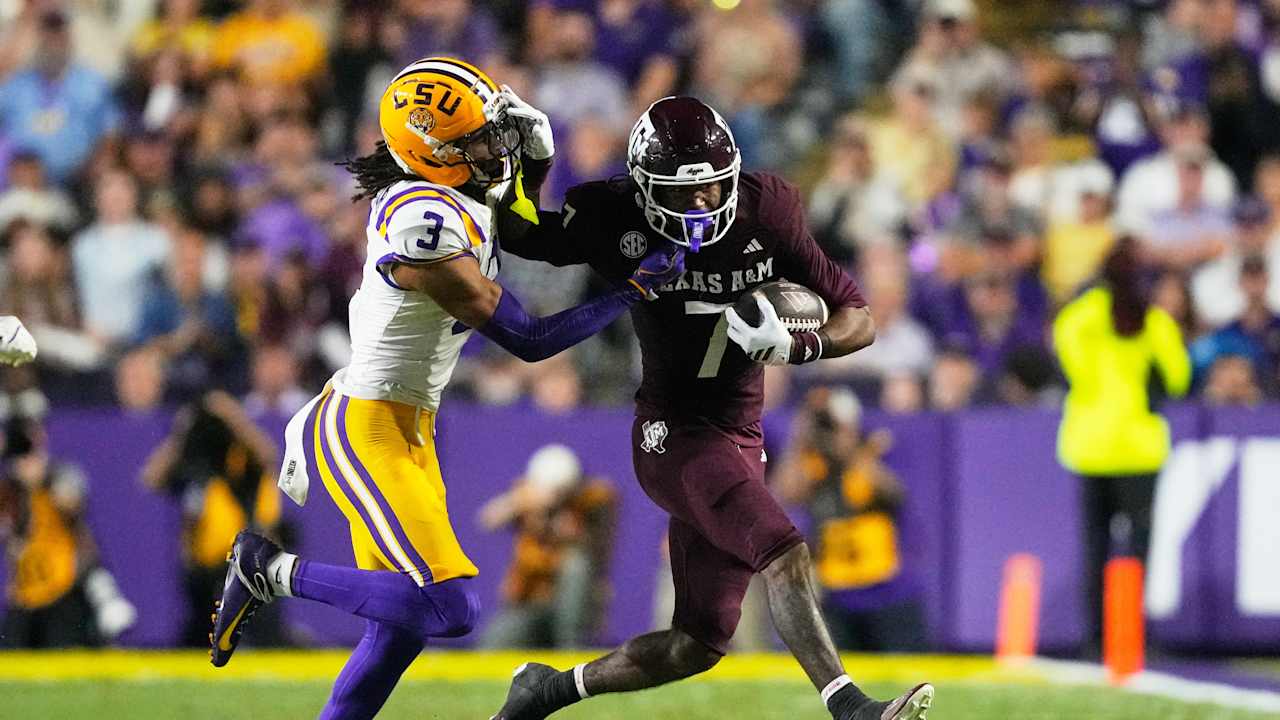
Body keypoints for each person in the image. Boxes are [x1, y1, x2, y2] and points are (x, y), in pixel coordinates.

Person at [208, 57, 683, 720]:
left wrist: (537, 164)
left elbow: (519, 229)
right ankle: (267, 569)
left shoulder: (447, 195)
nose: (493, 150)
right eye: (476, 141)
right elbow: (529, 339)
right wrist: (631, 293)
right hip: (365, 424)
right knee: (448, 604)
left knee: (399, 630)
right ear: (430, 152)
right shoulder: (420, 223)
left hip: (409, 425)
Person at [491, 96, 932, 720]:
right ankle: (851, 707)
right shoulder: (613, 212)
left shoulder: (768, 209)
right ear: (645, 187)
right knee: (784, 550)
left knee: (696, 643)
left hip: (741, 434)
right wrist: (533, 165)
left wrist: (799, 344)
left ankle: (546, 690)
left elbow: (857, 318)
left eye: (713, 186)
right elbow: (521, 234)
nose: (702, 202)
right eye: (683, 191)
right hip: (672, 432)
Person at [1053, 237, 1191, 657]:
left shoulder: (1079, 317)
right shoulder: (1154, 321)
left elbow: (1071, 365)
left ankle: (1095, 639)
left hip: (1091, 446)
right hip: (1138, 449)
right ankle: (1132, 637)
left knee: (1095, 546)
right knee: (1138, 550)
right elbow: (1178, 378)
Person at [773, 388, 928, 652]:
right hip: (837, 594)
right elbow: (785, 494)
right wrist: (799, 437)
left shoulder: (874, 449)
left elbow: (893, 492)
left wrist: (848, 449)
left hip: (886, 590)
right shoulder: (813, 463)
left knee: (904, 669)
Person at [477, 444, 616, 649]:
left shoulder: (590, 501)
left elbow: (598, 542)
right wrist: (519, 503)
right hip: (530, 601)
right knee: (497, 640)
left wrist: (563, 528)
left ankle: (571, 650)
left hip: (573, 606)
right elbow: (488, 519)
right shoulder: (527, 498)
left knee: (576, 565)